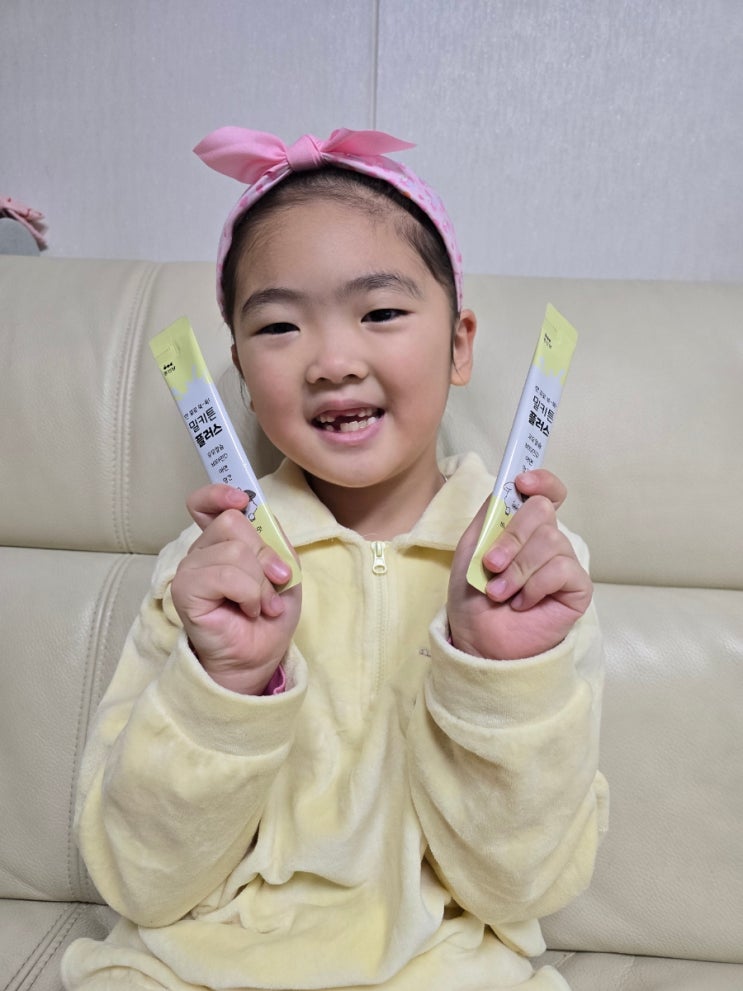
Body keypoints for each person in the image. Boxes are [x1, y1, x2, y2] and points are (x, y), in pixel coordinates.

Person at [62, 127, 608, 991]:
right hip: (197, 967)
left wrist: (499, 673)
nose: (332, 362)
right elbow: (139, 882)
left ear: (459, 344)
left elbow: (523, 886)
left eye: (380, 312)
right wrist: (224, 685)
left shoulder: (532, 572)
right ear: (241, 374)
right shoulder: (206, 576)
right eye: (279, 325)